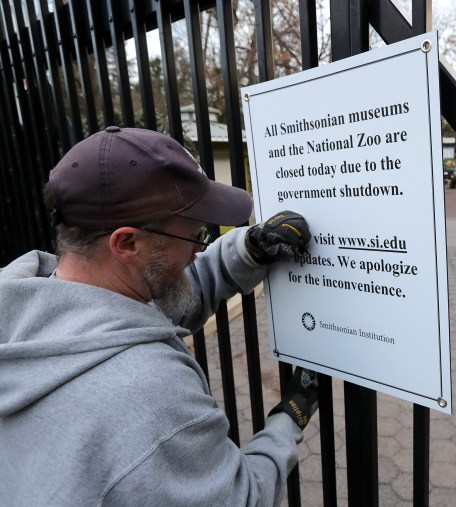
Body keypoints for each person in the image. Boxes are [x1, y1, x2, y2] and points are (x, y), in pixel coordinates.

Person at [0, 126, 319, 506]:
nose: (199, 250)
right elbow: (244, 497)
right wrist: (287, 422)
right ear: (127, 242)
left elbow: (152, 304)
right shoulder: (149, 394)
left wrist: (247, 251)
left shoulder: (30, 306)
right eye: (196, 236)